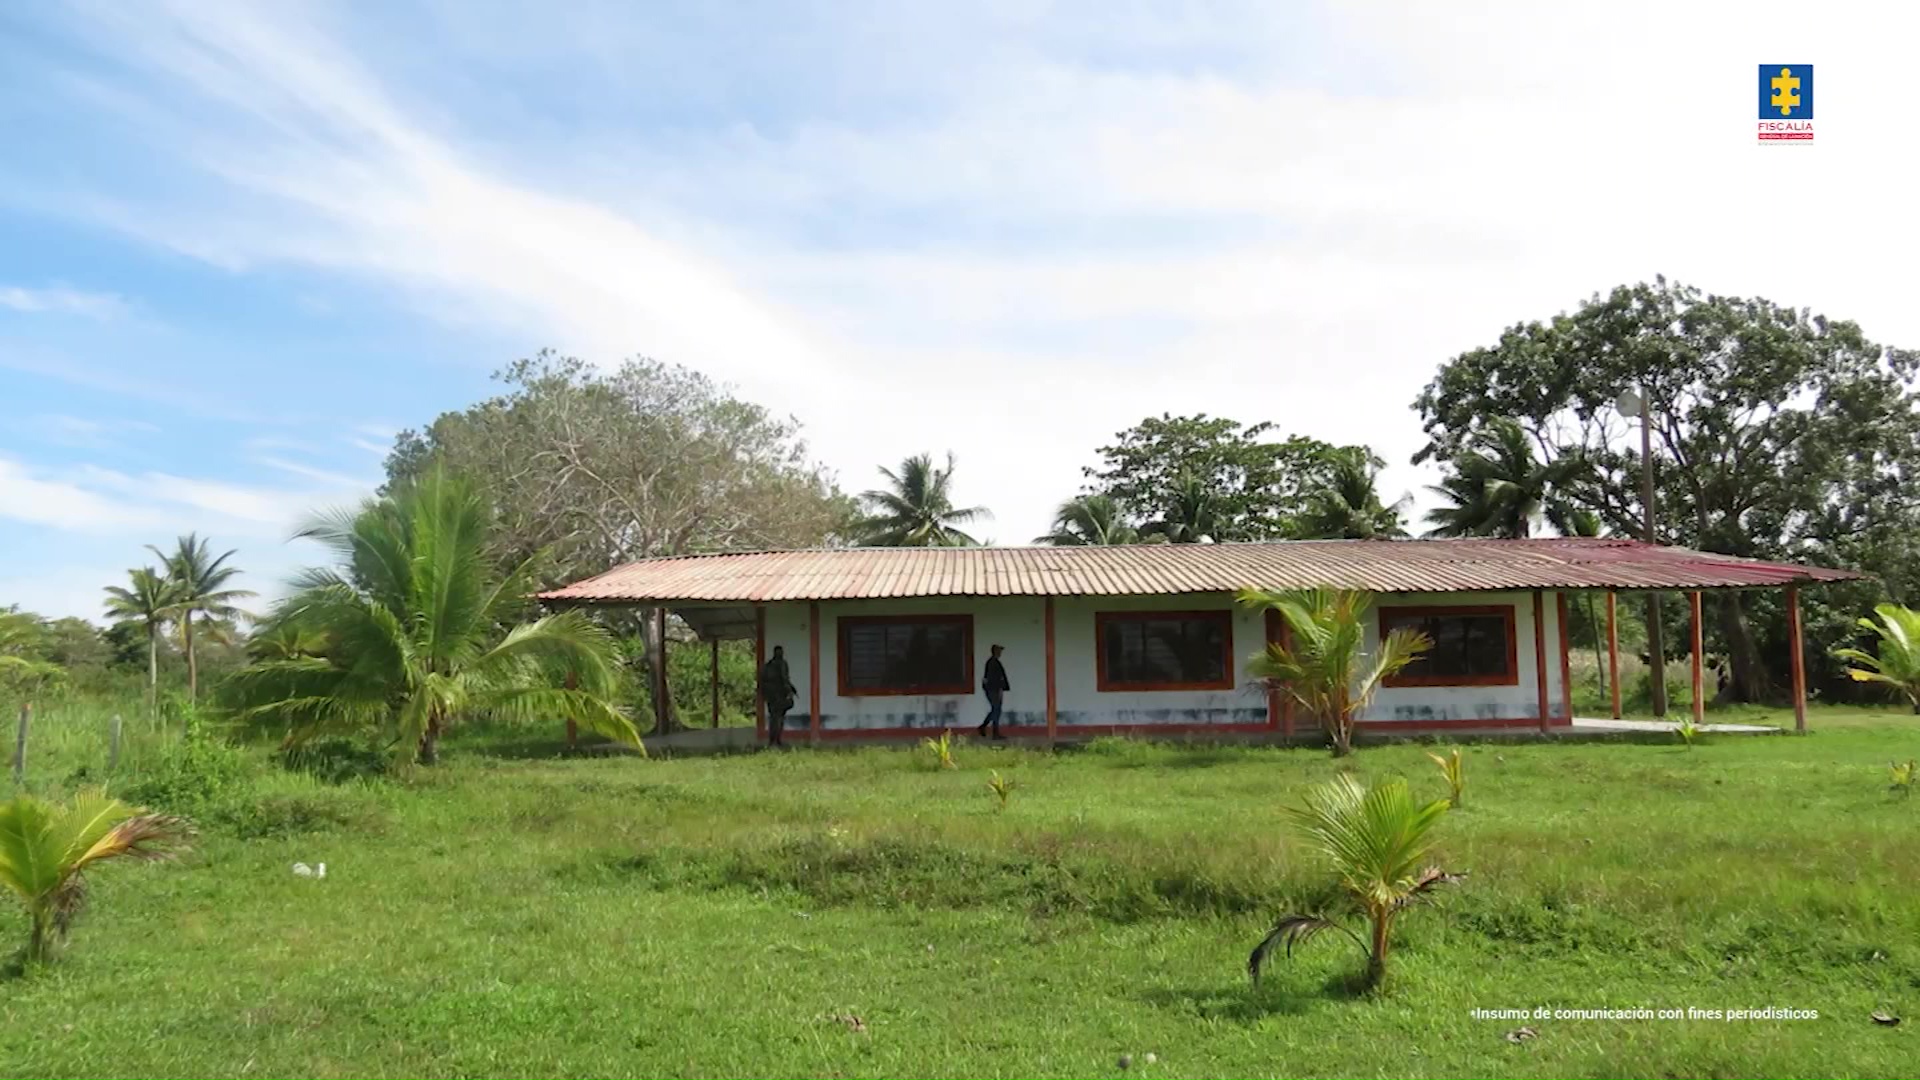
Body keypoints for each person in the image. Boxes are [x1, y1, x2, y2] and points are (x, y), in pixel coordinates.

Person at [760, 645, 797, 748]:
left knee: (773, 718)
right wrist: (789, 691)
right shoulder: (781, 664)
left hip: (770, 696)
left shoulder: (768, 665)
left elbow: (761, 682)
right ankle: (777, 740)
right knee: (779, 718)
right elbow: (785, 679)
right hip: (779, 695)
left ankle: (772, 741)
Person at [977, 644, 1010, 740]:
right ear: (995, 651)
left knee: (995, 710)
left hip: (993, 689)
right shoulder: (993, 663)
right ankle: (994, 732)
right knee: (996, 710)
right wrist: (999, 689)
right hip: (993, 690)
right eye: (999, 651)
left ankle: (983, 727)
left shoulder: (993, 662)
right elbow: (994, 679)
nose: (1000, 653)